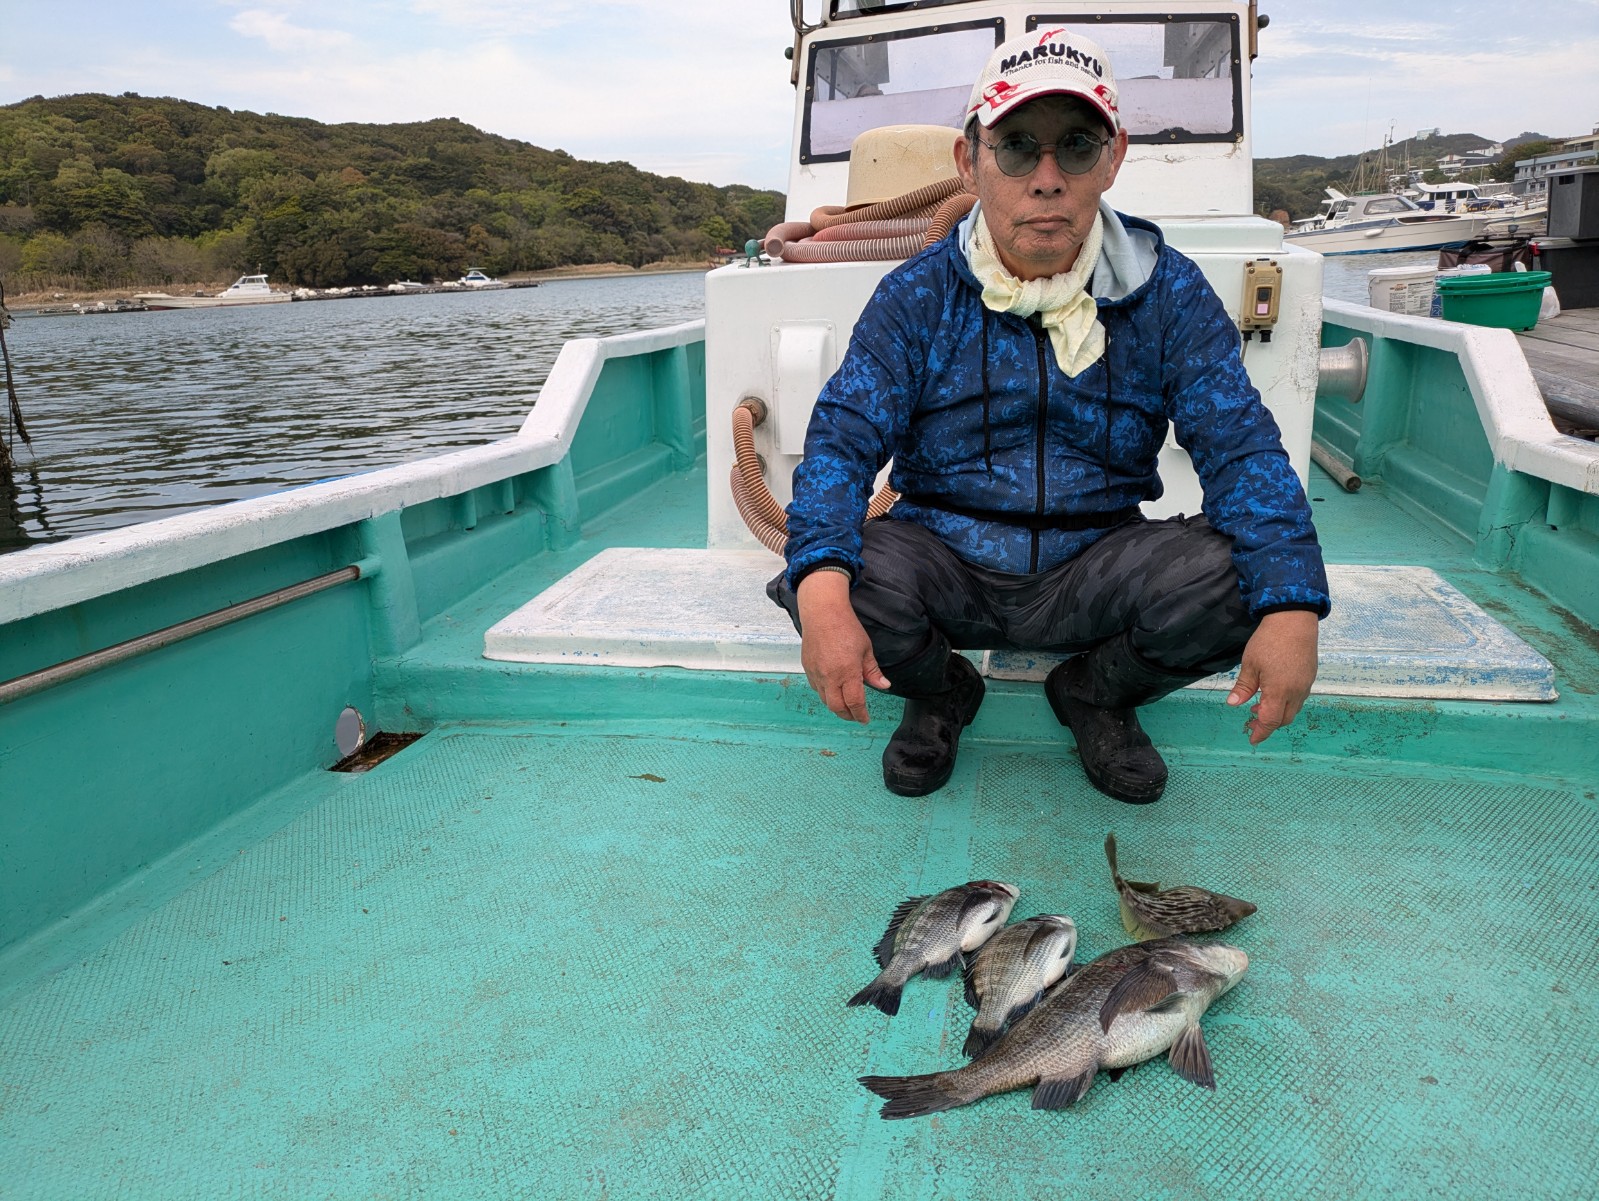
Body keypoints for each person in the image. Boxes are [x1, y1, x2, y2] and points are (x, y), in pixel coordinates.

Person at [768, 27, 1330, 805]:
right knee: (825, 580)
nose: (1045, 179)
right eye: (1014, 148)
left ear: (1112, 157)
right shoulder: (916, 295)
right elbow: (842, 438)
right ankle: (940, 689)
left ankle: (1095, 691)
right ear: (969, 161)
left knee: (1250, 577)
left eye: (1075, 146)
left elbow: (1240, 449)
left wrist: (1292, 602)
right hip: (945, 553)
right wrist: (822, 587)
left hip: (1097, 558)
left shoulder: (1167, 293)